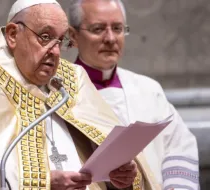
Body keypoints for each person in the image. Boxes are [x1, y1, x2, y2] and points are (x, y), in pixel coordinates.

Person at [0, 0, 159, 189]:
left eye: (61, 41)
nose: (55, 51)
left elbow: (108, 155)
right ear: (12, 35)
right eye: (45, 37)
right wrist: (43, 183)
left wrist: (121, 178)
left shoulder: (71, 80)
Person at [68, 0, 200, 189]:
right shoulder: (58, 93)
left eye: (117, 28)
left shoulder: (148, 89)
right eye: (98, 29)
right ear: (73, 36)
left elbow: (179, 145)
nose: (111, 38)